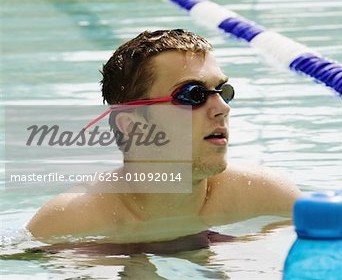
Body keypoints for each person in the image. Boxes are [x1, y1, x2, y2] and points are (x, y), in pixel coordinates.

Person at [27, 29, 301, 244]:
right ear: (132, 126)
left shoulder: (268, 198)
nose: (222, 108)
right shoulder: (69, 224)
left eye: (222, 90)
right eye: (193, 95)